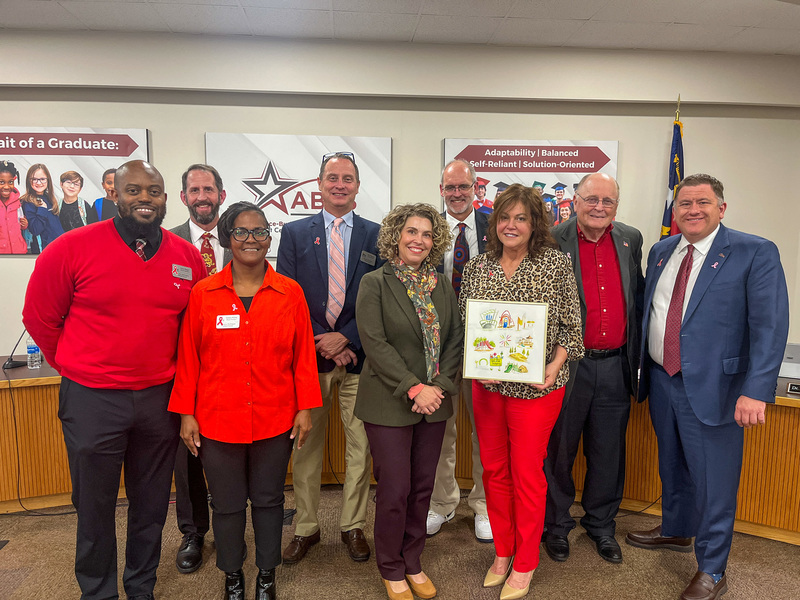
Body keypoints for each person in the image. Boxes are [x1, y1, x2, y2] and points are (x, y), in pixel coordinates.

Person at [22, 160, 206, 600]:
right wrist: (76, 365)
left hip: (159, 400)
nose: (145, 198)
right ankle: (98, 591)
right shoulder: (71, 247)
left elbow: (192, 330)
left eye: (154, 191)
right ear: (114, 195)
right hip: (92, 399)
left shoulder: (185, 257)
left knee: (150, 504)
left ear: (167, 199)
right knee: (94, 505)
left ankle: (141, 587)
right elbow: (40, 318)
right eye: (134, 190)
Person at [626, 174, 789, 600]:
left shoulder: (754, 251)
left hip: (720, 388)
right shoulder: (662, 251)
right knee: (673, 463)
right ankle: (678, 528)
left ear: (721, 207)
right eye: (685, 204)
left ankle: (713, 568)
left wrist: (757, 389)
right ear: (674, 210)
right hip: (664, 380)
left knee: (715, 481)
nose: (693, 210)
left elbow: (770, 326)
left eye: (703, 202)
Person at [169, 202, 322, 600]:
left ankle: (266, 575)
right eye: (241, 232)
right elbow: (189, 357)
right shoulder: (204, 293)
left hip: (276, 417)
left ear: (269, 238)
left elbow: (304, 354)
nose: (251, 239)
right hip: (217, 420)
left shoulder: (290, 293)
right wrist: (186, 413)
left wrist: (305, 407)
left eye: (259, 232)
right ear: (227, 238)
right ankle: (233, 575)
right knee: (228, 504)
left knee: (270, 501)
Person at [459, 184, 583, 600]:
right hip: (489, 388)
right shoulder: (479, 266)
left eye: (521, 218)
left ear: (535, 224)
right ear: (494, 222)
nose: (512, 225)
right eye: (504, 217)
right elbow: (468, 325)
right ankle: (503, 550)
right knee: (493, 471)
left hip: (537, 389)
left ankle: (526, 561)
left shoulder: (554, 265)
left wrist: (551, 368)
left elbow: (572, 326)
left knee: (526, 473)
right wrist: (479, 366)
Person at [276, 152, 381, 565]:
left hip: (358, 356)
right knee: (305, 445)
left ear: (358, 186)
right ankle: (305, 528)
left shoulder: (377, 234)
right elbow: (287, 294)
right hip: (309, 356)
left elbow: (380, 297)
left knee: (362, 447)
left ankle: (353, 525)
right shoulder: (295, 233)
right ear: (319, 184)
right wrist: (321, 340)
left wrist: (346, 338)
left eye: (348, 178)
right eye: (332, 178)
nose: (340, 184)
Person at [355, 203, 463, 600]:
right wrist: (415, 387)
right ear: (396, 236)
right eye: (412, 232)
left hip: (435, 402)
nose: (419, 240)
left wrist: (436, 386)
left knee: (422, 487)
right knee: (395, 488)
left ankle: (413, 559)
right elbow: (375, 343)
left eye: (428, 234)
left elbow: (454, 340)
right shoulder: (375, 283)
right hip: (389, 401)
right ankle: (391, 566)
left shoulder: (440, 284)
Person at [543, 173, 644, 565]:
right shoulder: (551, 239)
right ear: (576, 199)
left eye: (608, 201)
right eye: (592, 199)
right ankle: (556, 526)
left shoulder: (630, 239)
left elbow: (637, 298)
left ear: (617, 205)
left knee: (608, 452)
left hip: (615, 364)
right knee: (559, 450)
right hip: (568, 365)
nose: (599, 207)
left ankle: (602, 526)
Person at [169, 163, 232, 574]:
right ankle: (193, 531)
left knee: (237, 448)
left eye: (209, 189)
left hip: (233, 363)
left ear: (221, 196)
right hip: (181, 363)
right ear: (184, 197)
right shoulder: (165, 242)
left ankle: (238, 521)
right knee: (187, 451)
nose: (203, 196)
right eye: (195, 190)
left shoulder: (242, 237)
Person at [426, 158, 492, 542]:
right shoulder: (428, 231)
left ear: (475, 190)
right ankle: (442, 503)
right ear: (441, 190)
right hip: (438, 346)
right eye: (449, 188)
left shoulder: (495, 227)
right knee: (440, 430)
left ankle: (483, 506)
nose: (456, 194)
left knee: (486, 432)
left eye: (463, 187)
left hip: (486, 345)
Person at [20, 163, 64, 253]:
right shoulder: (27, 202)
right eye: (34, 179)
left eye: (42, 179)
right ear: (29, 181)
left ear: (48, 180)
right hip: (45, 251)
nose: (39, 183)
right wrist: (42, 209)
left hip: (59, 247)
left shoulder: (50, 198)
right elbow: (35, 230)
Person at [0, 160, 28, 254]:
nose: (7, 186)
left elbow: (20, 223)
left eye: (10, 182)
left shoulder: (17, 202)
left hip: (19, 252)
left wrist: (24, 225)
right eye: (1, 182)